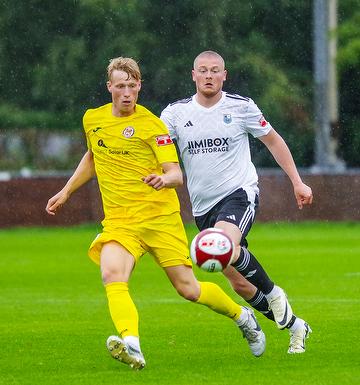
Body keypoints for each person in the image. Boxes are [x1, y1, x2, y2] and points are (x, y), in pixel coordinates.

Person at [45, 56, 266, 371]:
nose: (126, 93)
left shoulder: (152, 125)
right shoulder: (92, 119)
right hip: (121, 222)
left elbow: (176, 174)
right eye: (120, 86)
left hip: (160, 219)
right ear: (109, 87)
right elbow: (94, 155)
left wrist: (164, 179)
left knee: (188, 289)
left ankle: (243, 317)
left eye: (132, 86)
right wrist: (66, 191)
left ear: (139, 87)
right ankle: (131, 343)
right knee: (112, 275)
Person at [160, 50, 313, 354]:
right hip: (203, 208)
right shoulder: (174, 115)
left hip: (239, 193)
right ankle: (296, 326)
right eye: (202, 70)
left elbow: (273, 140)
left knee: (225, 247)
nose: (208, 75)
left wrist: (297, 181)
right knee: (240, 285)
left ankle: (272, 292)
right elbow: (156, 153)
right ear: (193, 75)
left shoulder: (241, 107)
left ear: (224, 75)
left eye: (215, 70)